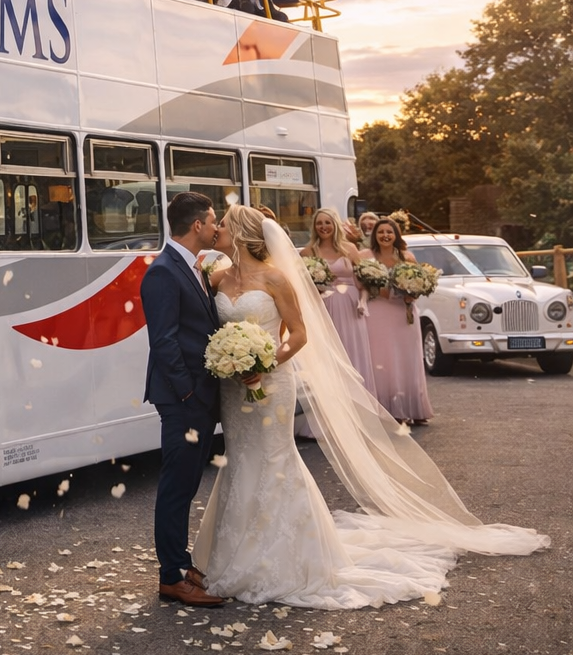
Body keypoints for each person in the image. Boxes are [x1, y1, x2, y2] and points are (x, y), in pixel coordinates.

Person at [196, 204, 547, 609]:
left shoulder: (276, 278)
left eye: (223, 223)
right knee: (240, 459)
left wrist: (265, 362)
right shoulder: (217, 278)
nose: (217, 228)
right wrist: (232, 362)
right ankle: (232, 553)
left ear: (239, 232)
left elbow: (299, 334)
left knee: (274, 460)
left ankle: (283, 559)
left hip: (272, 384)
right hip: (233, 389)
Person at [141, 192, 227, 608]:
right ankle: (171, 576)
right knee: (176, 487)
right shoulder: (162, 272)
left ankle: (181, 562)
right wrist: (189, 393)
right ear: (197, 226)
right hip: (183, 400)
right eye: (213, 221)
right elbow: (164, 342)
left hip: (197, 397)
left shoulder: (192, 267)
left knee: (188, 482)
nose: (216, 228)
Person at [360, 217, 434, 424]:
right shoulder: (367, 256)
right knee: (382, 359)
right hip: (378, 313)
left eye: (389, 232)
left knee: (407, 358)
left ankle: (413, 408)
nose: (385, 235)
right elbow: (362, 283)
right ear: (375, 235)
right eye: (381, 232)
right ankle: (387, 410)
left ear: (396, 235)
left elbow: (421, 283)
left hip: (404, 313)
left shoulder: (407, 257)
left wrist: (413, 295)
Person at [300, 207, 375, 398]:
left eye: (327, 222)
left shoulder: (349, 249)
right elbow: (302, 286)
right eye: (319, 223)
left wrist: (363, 302)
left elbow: (364, 281)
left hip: (351, 306)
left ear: (335, 224)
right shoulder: (308, 252)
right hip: (323, 307)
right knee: (328, 356)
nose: (323, 227)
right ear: (314, 227)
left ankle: (358, 403)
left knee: (352, 352)